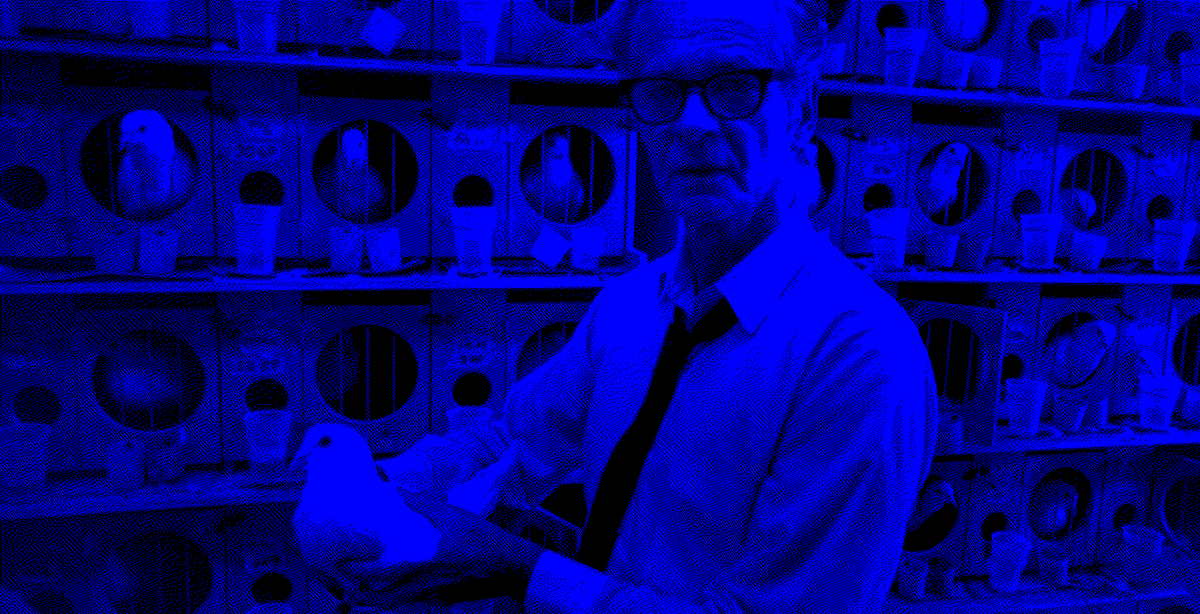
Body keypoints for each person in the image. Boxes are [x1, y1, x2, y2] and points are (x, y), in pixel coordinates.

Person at [334, 0, 940, 611]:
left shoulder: (860, 357)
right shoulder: (628, 308)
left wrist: (520, 571)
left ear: (801, 112)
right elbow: (513, 441)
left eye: (735, 86)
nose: (692, 123)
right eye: (662, 91)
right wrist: (366, 489)